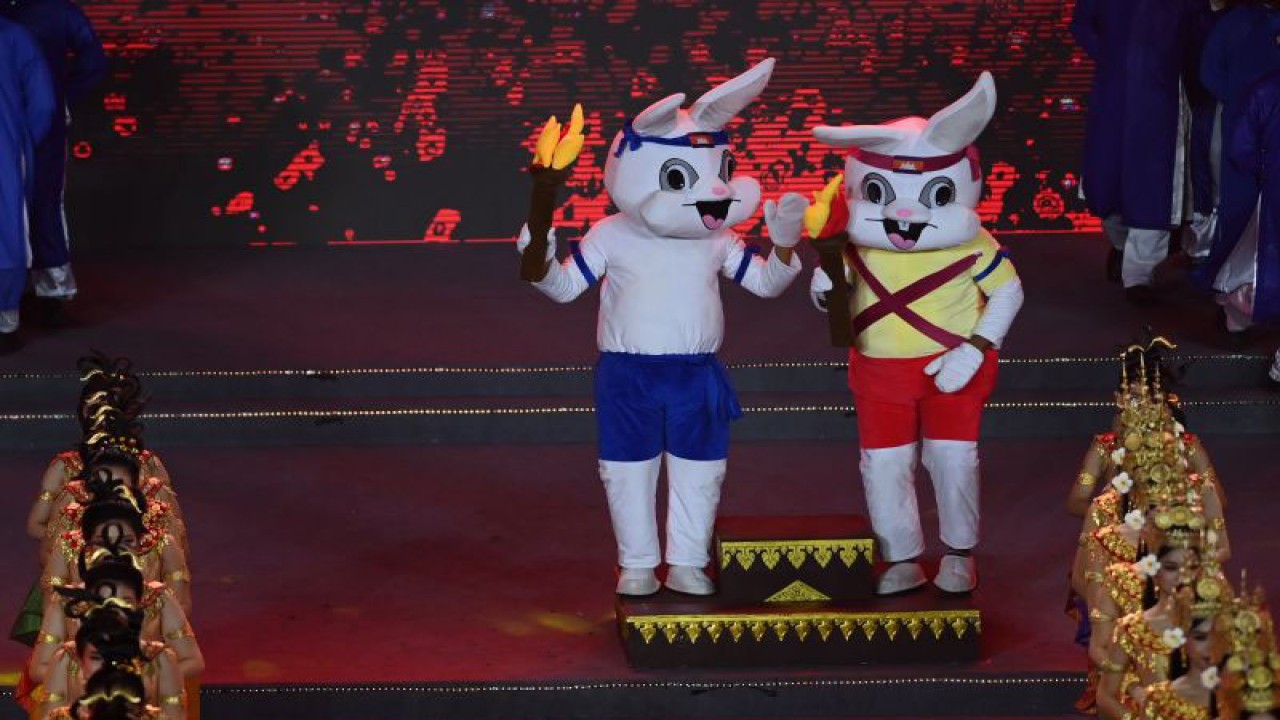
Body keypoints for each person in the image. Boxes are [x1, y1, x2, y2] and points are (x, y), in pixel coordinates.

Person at [516, 58, 804, 596]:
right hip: (628, 374)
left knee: (701, 470)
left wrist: (785, 244)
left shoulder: (716, 238)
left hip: (697, 374)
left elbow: (765, 284)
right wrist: (537, 242)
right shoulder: (611, 233)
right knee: (626, 471)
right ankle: (638, 564)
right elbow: (560, 286)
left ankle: (689, 561)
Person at [807, 72, 1023, 595]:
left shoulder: (973, 244)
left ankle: (957, 553)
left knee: (952, 461)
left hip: (952, 367)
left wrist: (975, 349)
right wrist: (825, 283)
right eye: (884, 191)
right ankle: (901, 555)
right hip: (880, 371)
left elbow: (1009, 292)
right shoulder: (854, 240)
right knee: (884, 465)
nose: (906, 213)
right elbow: (832, 294)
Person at [1071, 0, 1215, 304]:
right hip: (1116, 93)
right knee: (1109, 177)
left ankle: (1138, 273)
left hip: (1161, 96)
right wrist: (1113, 59)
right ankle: (1123, 248)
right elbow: (1082, 24)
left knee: (1153, 183)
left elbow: (1202, 36)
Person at [1, 0, 107, 326]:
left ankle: (48, 289)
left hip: (32, 121)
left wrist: (63, 98)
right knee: (34, 201)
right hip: (27, 120)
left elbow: (93, 61)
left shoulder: (55, 12)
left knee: (39, 200)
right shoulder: (53, 13)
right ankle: (42, 290)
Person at [1198, 0, 1280, 335]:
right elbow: (1211, 73)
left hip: (1255, 156)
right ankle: (1238, 311)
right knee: (1246, 227)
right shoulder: (1238, 23)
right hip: (1254, 159)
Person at [0, 13, 54, 352]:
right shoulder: (15, 36)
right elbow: (44, 104)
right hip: (4, 148)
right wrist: (23, 143)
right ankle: (4, 318)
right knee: (6, 232)